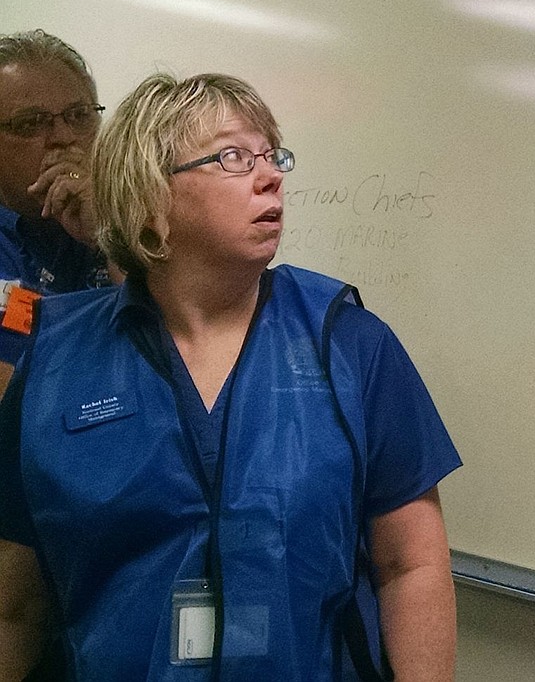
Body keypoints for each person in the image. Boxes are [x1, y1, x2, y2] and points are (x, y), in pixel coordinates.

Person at [0, 73, 461, 681]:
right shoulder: (59, 360)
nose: (271, 176)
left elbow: (412, 566)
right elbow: (17, 603)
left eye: (273, 156)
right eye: (233, 157)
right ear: (149, 195)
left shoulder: (349, 345)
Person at [0, 30, 112, 397]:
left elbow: (183, 359)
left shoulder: (139, 228)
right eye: (31, 123)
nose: (63, 137)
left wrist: (109, 235)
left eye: (79, 116)